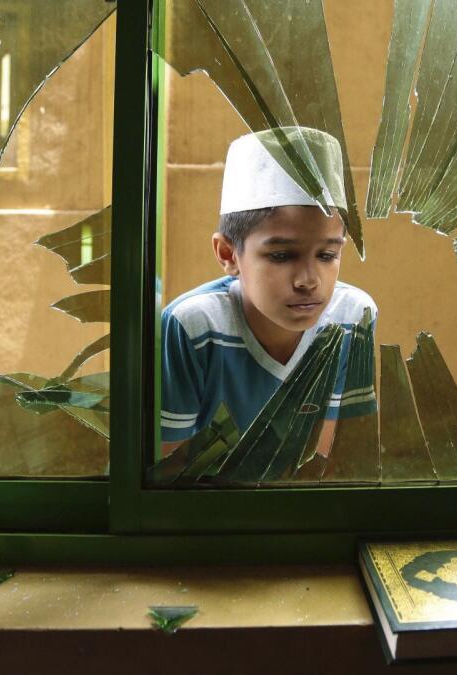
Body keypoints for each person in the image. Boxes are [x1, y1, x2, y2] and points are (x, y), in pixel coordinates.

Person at [160, 126, 377, 458]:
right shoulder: (193, 326)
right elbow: (170, 468)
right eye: (281, 256)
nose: (308, 280)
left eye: (327, 255)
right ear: (228, 255)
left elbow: (332, 460)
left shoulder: (352, 318)